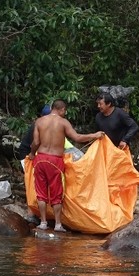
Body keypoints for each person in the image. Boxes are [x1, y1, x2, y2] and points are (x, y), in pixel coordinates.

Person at [28, 99, 104, 232]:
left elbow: (35, 142)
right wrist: (95, 135)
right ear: (61, 109)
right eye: (65, 111)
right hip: (55, 161)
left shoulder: (39, 121)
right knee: (56, 193)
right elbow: (77, 138)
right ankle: (58, 224)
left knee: (41, 193)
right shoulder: (63, 123)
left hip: (40, 159)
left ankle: (43, 223)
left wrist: (32, 154)